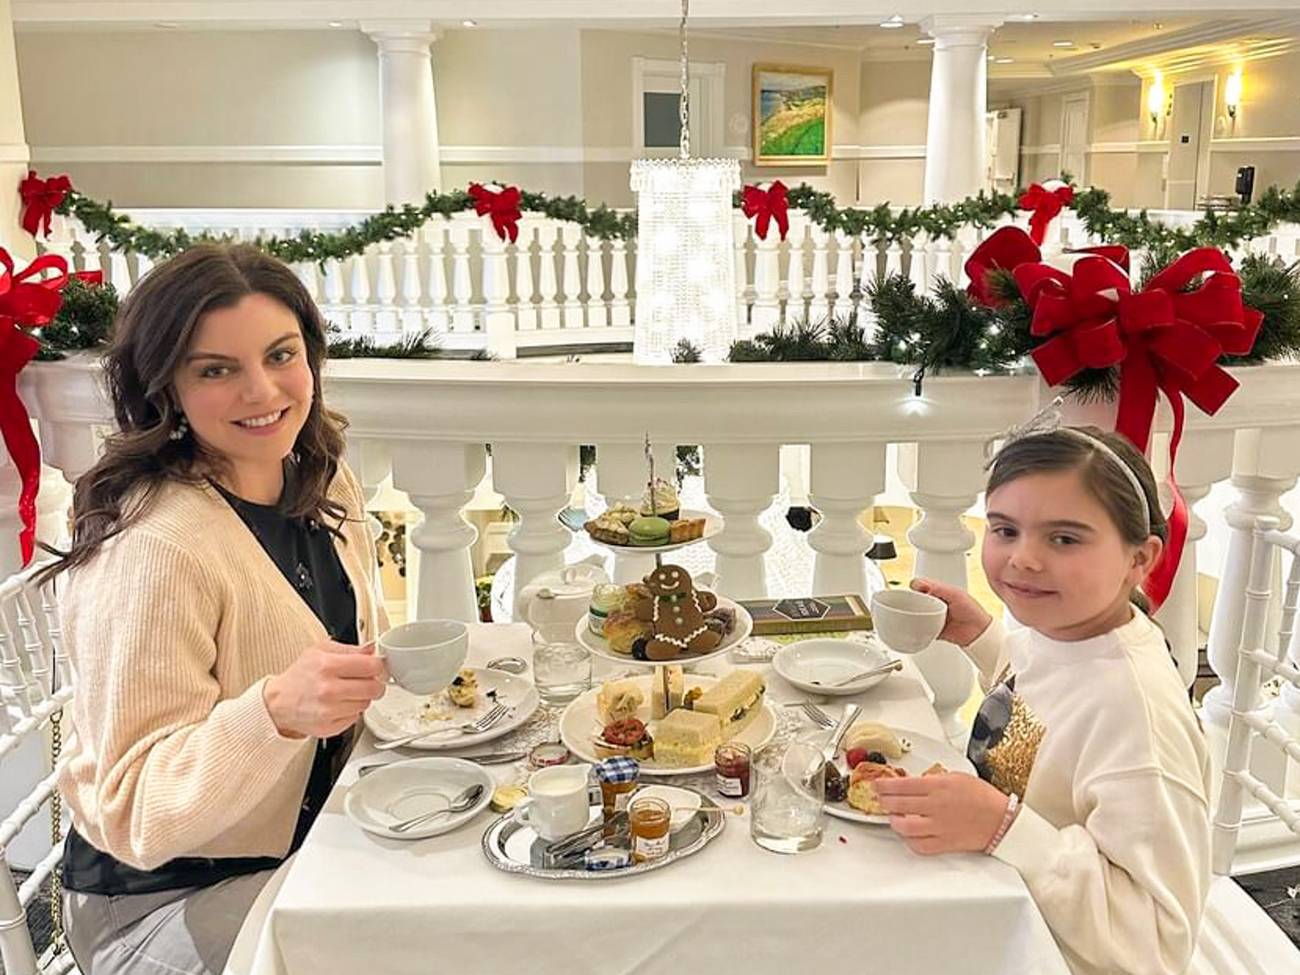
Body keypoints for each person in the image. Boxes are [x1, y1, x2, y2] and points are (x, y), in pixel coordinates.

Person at [47, 244, 389, 975]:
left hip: (309, 843)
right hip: (160, 903)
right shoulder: (156, 547)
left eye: (280, 354)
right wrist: (273, 714)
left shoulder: (321, 482)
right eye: (215, 369)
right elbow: (132, 806)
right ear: (164, 384)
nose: (262, 390)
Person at [873, 425, 1212, 975]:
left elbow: (1157, 943)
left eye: (1064, 539)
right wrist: (981, 639)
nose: (1023, 559)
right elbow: (1044, 716)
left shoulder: (1138, 719)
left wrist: (1004, 828)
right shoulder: (1063, 633)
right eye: (1005, 529)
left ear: (1139, 559)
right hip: (999, 907)